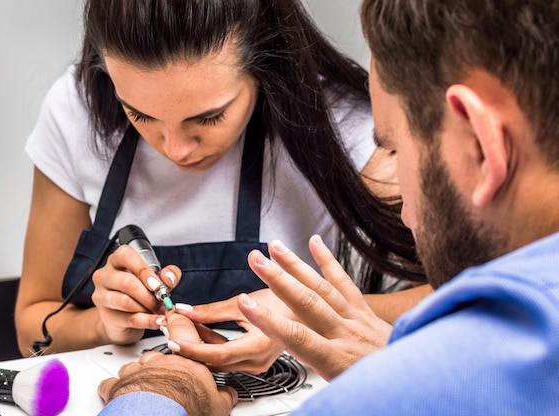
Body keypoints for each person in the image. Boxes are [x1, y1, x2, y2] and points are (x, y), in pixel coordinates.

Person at [96, 0, 559, 414]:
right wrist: (390, 353)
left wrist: (159, 393)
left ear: (480, 144)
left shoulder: (431, 385)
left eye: (393, 148)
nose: (403, 216)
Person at [15, 0, 427, 358]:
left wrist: (306, 318)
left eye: (209, 117)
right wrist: (105, 326)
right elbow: (32, 325)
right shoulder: (78, 111)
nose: (175, 149)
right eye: (139, 114)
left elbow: (464, 297)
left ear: (266, 67)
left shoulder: (342, 121)